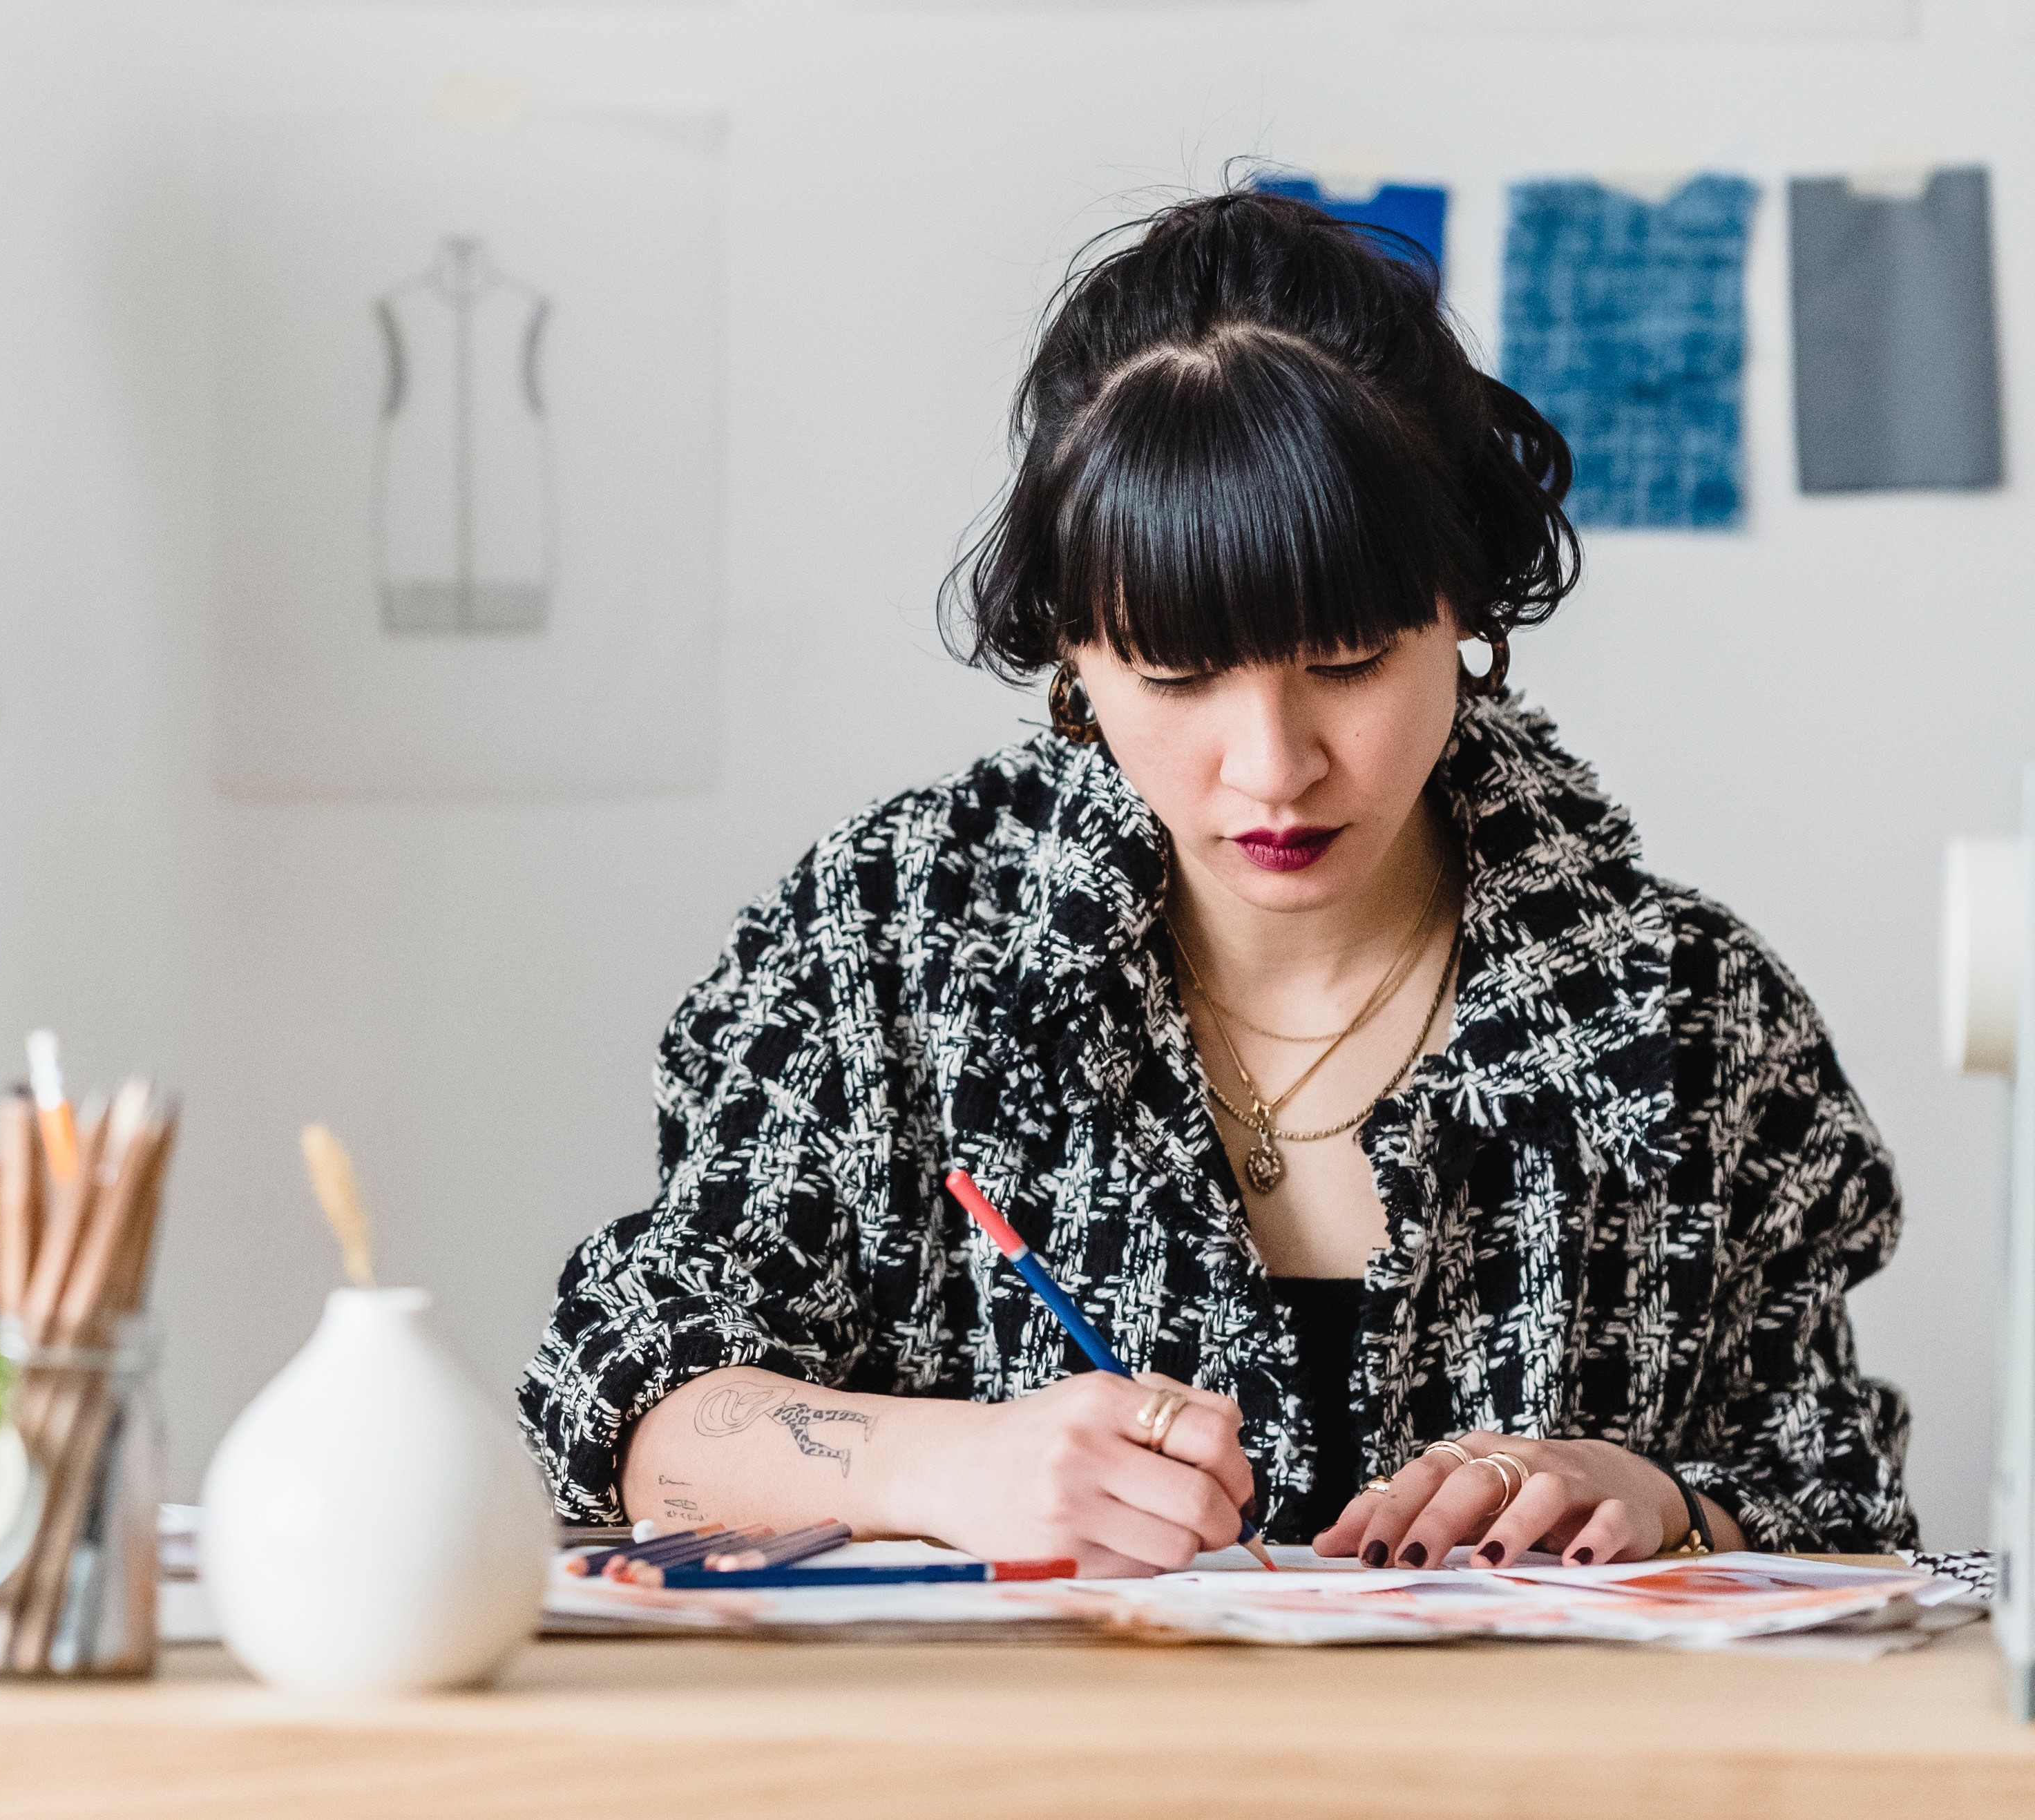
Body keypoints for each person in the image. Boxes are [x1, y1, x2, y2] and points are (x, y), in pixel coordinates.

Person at [519, 189, 1915, 1574]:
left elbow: (1837, 1496)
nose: (1273, 768)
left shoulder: (1681, 1011)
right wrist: (949, 1464)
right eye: (1179, 678)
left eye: (1350, 662)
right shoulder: (895, 941)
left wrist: (1649, 1493)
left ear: (1467, 618)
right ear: (1073, 657)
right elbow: (620, 1401)